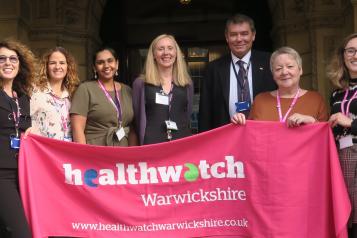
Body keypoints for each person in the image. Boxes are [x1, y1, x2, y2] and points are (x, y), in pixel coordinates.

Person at [198, 13, 276, 132]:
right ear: (227, 37)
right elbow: (205, 112)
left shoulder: (270, 62)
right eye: (233, 35)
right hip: (225, 138)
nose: (239, 39)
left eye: (244, 34)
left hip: (263, 135)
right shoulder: (213, 69)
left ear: (253, 35)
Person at [231, 46, 328, 126]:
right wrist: (239, 123)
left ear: (300, 70)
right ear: (273, 74)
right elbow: (250, 135)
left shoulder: (315, 99)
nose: (284, 72)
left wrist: (312, 121)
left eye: (290, 66)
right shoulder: (260, 100)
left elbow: (327, 137)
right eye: (278, 69)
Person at [0, 39, 35, 237]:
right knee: (21, 232)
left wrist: (30, 134)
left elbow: (23, 128)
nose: (8, 63)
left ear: (20, 65)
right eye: (2, 59)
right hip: (1, 173)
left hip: (22, 173)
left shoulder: (22, 97)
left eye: (13, 58)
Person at [132, 34, 193, 145]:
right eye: (161, 49)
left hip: (182, 143)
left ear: (176, 53)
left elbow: (187, 114)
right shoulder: (140, 83)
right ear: (154, 55)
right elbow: (137, 118)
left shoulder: (187, 83)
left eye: (170, 48)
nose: (166, 53)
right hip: (152, 145)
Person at [70, 47, 136, 146]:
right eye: (100, 62)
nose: (106, 66)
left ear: (117, 64)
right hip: (96, 152)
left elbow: (132, 128)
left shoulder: (128, 90)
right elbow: (77, 129)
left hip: (124, 152)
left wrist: (133, 155)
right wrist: (83, 156)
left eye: (110, 61)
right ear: (94, 68)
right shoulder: (85, 89)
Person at [328, 33, 357, 237]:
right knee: (347, 213)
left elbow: (348, 123)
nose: (355, 55)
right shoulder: (337, 92)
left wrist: (352, 123)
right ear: (343, 56)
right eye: (350, 50)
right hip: (343, 157)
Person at [30, 47, 80, 141]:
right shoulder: (34, 91)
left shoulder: (72, 95)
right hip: (41, 150)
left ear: (68, 67)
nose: (57, 67)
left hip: (64, 151)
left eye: (62, 63)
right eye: (53, 63)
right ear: (46, 66)